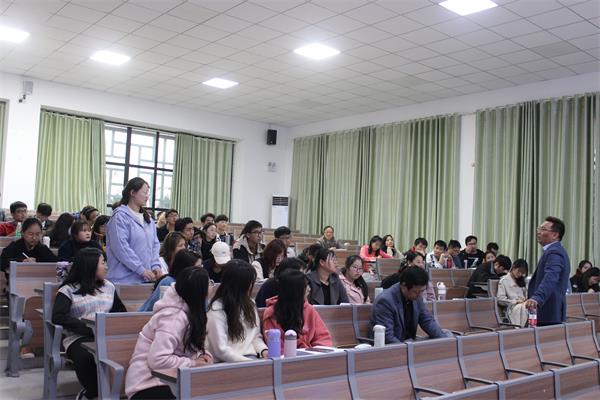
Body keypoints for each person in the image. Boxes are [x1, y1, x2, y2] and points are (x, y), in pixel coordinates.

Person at [126, 267, 213, 400]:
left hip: (173, 380)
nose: (212, 286)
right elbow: (158, 360)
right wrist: (193, 363)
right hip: (147, 384)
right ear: (199, 291)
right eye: (209, 283)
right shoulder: (173, 319)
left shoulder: (192, 312)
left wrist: (203, 355)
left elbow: (189, 348)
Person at [52, 248, 126, 400]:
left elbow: (120, 311)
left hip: (105, 336)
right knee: (86, 357)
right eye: (103, 263)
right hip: (79, 337)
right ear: (90, 265)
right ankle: (92, 393)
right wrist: (88, 328)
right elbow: (58, 317)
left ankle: (117, 391)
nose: (106, 267)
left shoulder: (109, 287)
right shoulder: (68, 290)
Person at [206, 260, 268, 362]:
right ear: (240, 286)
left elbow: (255, 337)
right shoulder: (216, 310)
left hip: (251, 359)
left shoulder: (250, 304)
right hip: (226, 363)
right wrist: (250, 363)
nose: (251, 286)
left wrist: (264, 350)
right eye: (249, 283)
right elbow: (221, 351)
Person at [370, 266, 451, 343]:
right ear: (404, 286)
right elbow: (388, 337)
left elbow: (427, 321)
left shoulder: (417, 296)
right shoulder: (385, 301)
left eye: (422, 291)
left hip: (409, 343)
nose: (420, 295)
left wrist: (446, 341)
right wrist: (409, 350)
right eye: (416, 292)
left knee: (446, 334)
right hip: (392, 347)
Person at [106, 177, 161, 284]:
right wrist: (140, 269)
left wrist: (155, 265)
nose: (147, 196)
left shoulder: (148, 219)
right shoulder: (119, 217)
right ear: (132, 193)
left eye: (148, 193)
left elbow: (155, 244)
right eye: (144, 192)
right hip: (123, 280)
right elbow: (121, 248)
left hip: (146, 279)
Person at [262, 269, 333, 351]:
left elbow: (323, 338)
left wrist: (315, 352)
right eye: (306, 286)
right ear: (296, 290)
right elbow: (276, 347)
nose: (309, 289)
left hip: (310, 354)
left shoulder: (309, 309)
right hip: (285, 357)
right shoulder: (271, 314)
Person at [524, 217, 571, 326]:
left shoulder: (554, 252)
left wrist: (537, 297)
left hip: (548, 311)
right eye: (539, 229)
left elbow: (551, 277)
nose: (538, 232)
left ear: (555, 235)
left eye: (543, 229)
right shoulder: (556, 250)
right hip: (550, 311)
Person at [497, 259, 529, 327]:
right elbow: (500, 300)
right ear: (513, 267)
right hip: (512, 307)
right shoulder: (504, 281)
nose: (520, 274)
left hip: (523, 304)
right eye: (519, 271)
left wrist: (527, 299)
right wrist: (516, 301)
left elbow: (527, 294)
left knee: (531, 306)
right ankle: (521, 328)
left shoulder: (523, 281)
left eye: (522, 273)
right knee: (523, 307)